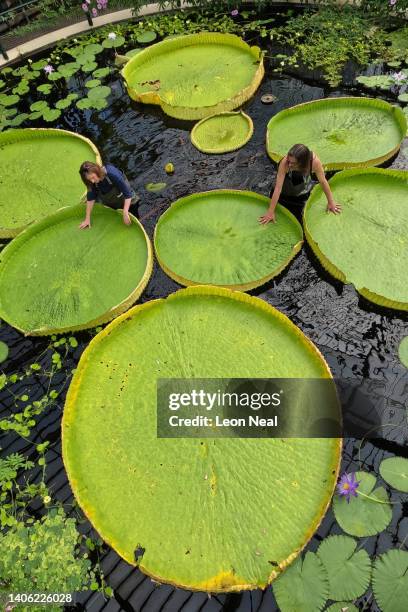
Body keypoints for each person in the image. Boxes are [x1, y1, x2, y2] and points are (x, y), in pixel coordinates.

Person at [259, 143, 341, 224]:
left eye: (293, 163)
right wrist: (270, 211)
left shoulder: (314, 162)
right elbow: (278, 188)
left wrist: (331, 202)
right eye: (289, 160)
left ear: (303, 162)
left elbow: (323, 181)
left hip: (301, 191)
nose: (290, 164)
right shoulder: (285, 163)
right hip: (284, 189)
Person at [78, 161, 140, 229]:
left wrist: (125, 213)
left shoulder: (112, 174)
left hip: (128, 200)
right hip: (113, 204)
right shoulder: (92, 183)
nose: (92, 181)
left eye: (93, 177)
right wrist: (87, 218)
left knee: (135, 222)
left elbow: (127, 194)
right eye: (89, 180)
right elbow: (90, 199)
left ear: (96, 171)